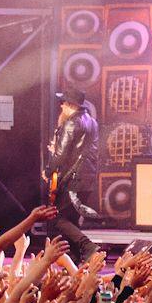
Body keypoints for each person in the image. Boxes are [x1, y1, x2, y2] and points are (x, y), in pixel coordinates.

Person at [44, 88, 100, 262]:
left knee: (57, 218)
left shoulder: (70, 123)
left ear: (70, 105)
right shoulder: (92, 122)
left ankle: (88, 246)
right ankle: (76, 260)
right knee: (71, 220)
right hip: (87, 177)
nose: (61, 106)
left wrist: (48, 171)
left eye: (63, 103)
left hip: (73, 178)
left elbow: (61, 155)